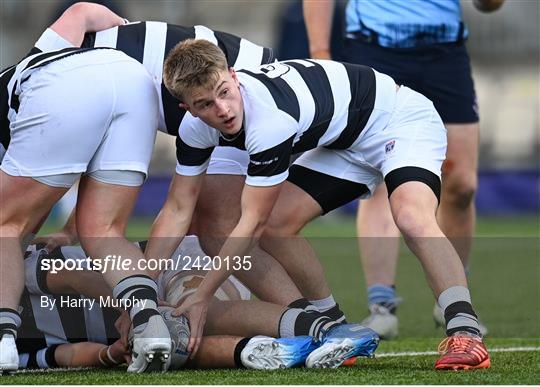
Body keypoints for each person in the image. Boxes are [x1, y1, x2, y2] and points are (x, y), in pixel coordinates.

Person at [153, 38, 491, 370]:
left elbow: (250, 224)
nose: (222, 110)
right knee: (277, 226)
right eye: (204, 104)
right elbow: (177, 209)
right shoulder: (194, 130)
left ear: (234, 75)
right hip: (344, 141)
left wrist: (201, 298)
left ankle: (466, 333)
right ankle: (336, 328)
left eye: (224, 92)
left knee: (411, 216)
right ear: (188, 109)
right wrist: (140, 293)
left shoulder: (269, 120)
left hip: (399, 120)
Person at [28, 2, 318, 310]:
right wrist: (136, 33)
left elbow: (49, 178)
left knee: (219, 229)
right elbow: (82, 12)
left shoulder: (43, 93)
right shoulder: (42, 65)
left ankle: (309, 322)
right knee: (212, 226)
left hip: (244, 93)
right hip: (244, 81)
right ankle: (310, 315)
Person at [303, 0, 505, 339]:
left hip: (444, 51)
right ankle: (382, 307)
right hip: (373, 48)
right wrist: (321, 52)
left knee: (461, 185)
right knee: (379, 180)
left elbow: (488, 6)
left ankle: (452, 300)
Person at [0, 43, 172, 372]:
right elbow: (83, 12)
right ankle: (149, 324)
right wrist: (65, 231)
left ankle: (2, 340)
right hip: (133, 79)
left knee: (5, 224)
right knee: (103, 231)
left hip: (66, 87)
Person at [17, 239, 378, 370]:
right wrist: (110, 354)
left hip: (164, 271)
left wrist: (143, 311)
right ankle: (264, 352)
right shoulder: (10, 347)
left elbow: (75, 277)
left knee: (187, 312)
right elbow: (56, 358)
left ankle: (331, 329)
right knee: (173, 346)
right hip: (138, 329)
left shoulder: (14, 267)